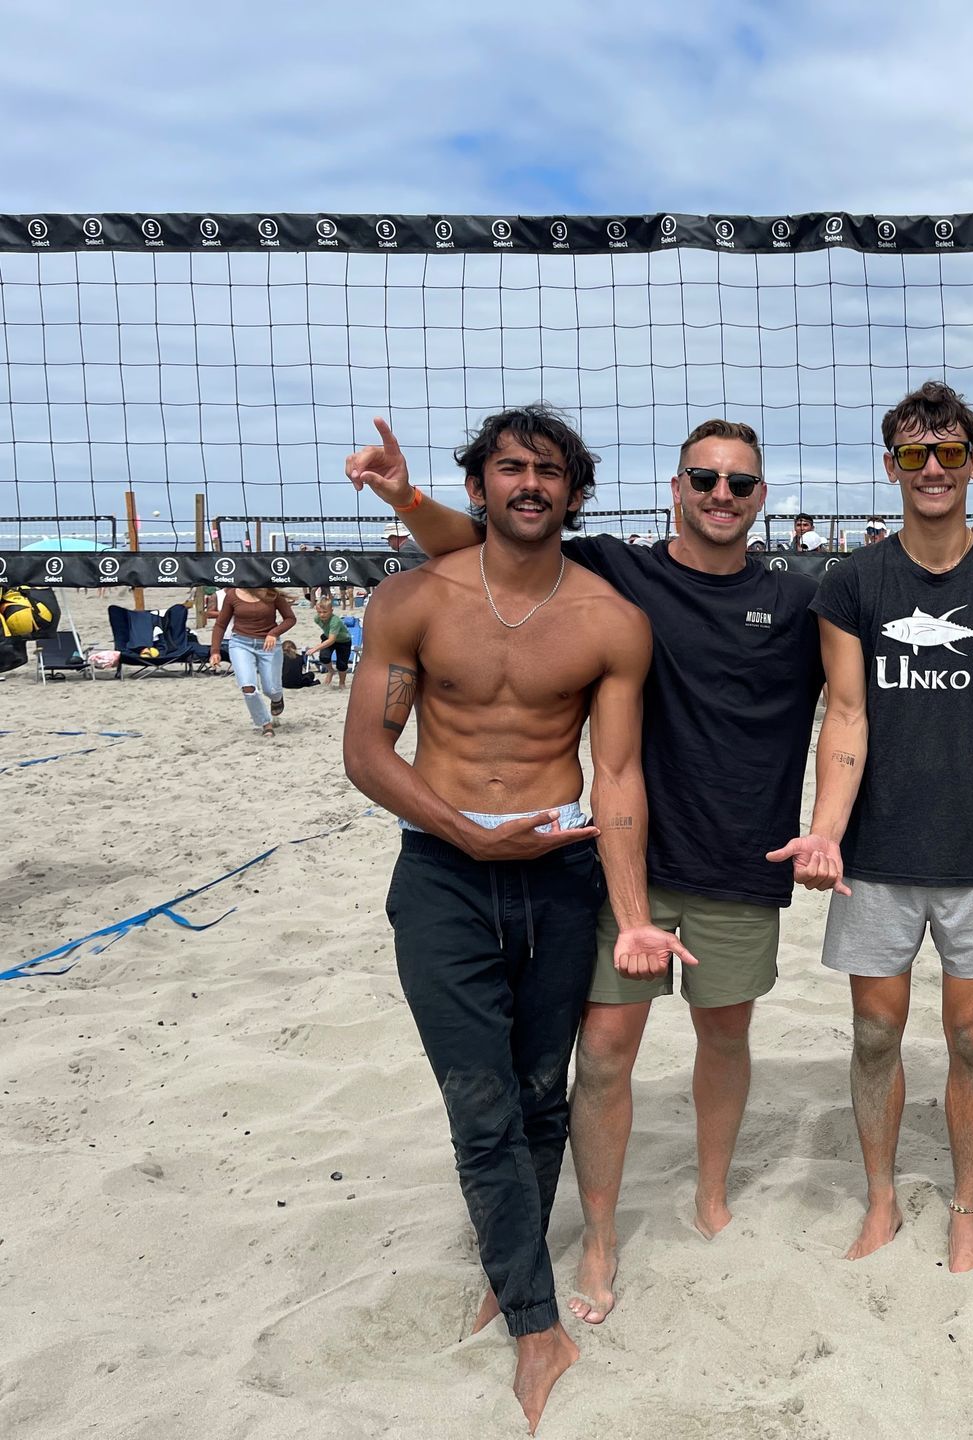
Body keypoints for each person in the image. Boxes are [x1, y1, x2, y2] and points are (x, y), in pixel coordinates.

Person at [345, 414, 973, 1322]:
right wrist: (405, 498)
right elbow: (492, 540)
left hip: (743, 860)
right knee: (605, 1051)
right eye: (704, 479)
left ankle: (710, 1196)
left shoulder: (800, 599)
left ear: (761, 497)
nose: (720, 495)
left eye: (739, 483)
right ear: (677, 489)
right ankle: (599, 1236)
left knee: (725, 1038)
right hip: (629, 858)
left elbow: (866, 697)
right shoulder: (619, 573)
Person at [342, 404, 682, 1434]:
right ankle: (537, 1323)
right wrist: (464, 832)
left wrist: (633, 914)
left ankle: (512, 1265)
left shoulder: (611, 620)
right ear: (478, 484)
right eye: (509, 468)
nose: (529, 484)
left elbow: (615, 775)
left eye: (548, 471)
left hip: (560, 871)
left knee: (541, 1097)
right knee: (479, 1102)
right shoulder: (412, 599)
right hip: (443, 872)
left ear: (574, 494)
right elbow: (367, 752)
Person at [770, 379, 973, 1275]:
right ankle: (881, 1197)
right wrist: (824, 830)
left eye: (949, 452)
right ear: (891, 466)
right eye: (914, 454)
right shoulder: (852, 581)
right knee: (875, 1034)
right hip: (879, 851)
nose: (932, 468)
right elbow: (847, 715)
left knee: (972, 1037)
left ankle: (964, 1208)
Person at [207, 586, 297, 735]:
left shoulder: (272, 594)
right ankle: (265, 724)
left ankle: (277, 698)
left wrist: (274, 633)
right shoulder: (232, 595)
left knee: (271, 689)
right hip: (240, 643)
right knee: (248, 687)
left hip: (268, 644)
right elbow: (220, 624)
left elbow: (290, 619)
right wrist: (215, 651)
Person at [305, 594, 352, 688]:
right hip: (328, 637)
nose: (322, 614)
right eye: (319, 612)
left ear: (331, 611)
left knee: (342, 665)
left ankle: (342, 683)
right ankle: (331, 671)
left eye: (325, 612)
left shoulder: (335, 621)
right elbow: (327, 633)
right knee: (324, 657)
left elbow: (331, 640)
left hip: (343, 641)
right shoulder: (317, 619)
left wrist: (315, 648)